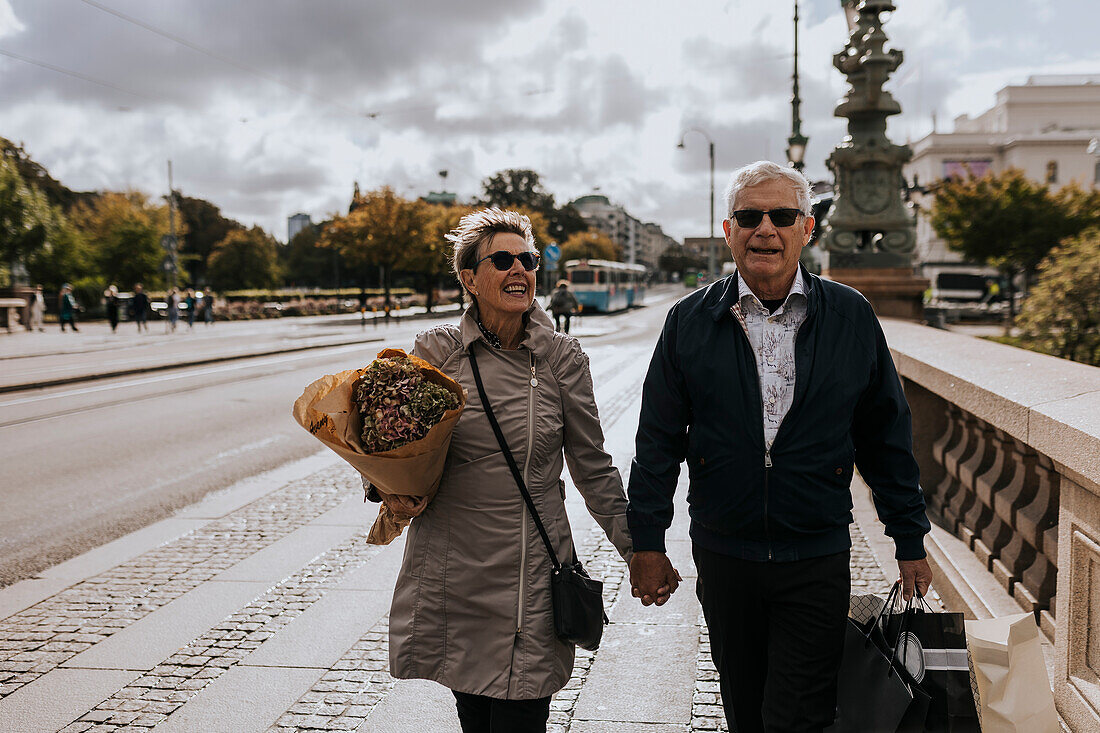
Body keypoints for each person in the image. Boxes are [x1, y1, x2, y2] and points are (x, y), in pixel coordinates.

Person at [626, 161, 932, 733]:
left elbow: (885, 435)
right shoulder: (688, 322)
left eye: (782, 215)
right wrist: (647, 543)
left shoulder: (851, 315)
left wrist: (908, 537)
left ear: (807, 229)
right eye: (748, 216)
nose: (764, 229)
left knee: (800, 713)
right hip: (725, 555)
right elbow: (658, 443)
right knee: (744, 705)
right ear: (728, 229)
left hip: (814, 554)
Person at [367, 208, 636, 733]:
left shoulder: (562, 359)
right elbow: (391, 446)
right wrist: (385, 486)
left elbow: (593, 467)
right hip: (455, 573)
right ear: (469, 278)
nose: (520, 269)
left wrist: (637, 550)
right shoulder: (436, 353)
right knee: (475, 716)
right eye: (503, 259)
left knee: (521, 713)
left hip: (531, 575)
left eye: (528, 259)